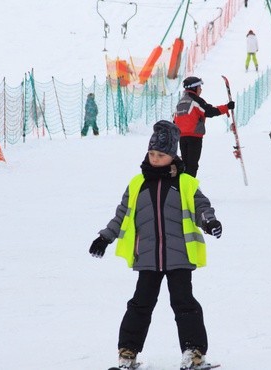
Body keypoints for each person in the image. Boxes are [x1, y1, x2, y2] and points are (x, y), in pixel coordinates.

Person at [88, 120, 222, 370]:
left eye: (160, 154)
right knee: (140, 304)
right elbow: (122, 215)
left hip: (180, 257)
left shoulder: (186, 183)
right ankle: (127, 353)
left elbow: (201, 208)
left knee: (184, 303)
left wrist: (210, 222)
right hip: (147, 257)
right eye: (151, 153)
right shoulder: (137, 184)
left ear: (172, 155)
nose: (155, 158)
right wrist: (105, 237)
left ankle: (194, 353)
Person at [173, 76, 234, 177]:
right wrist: (227, 107)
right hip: (194, 137)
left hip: (182, 137)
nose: (201, 89)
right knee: (192, 165)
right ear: (194, 88)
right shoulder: (196, 100)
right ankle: (189, 188)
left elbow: (175, 120)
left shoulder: (181, 102)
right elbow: (209, 111)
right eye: (199, 87)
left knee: (185, 164)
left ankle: (183, 186)